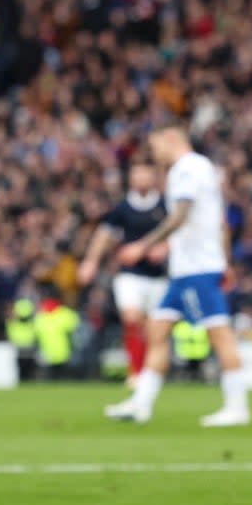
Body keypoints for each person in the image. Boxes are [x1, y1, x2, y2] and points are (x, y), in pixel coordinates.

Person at [105, 124, 250, 426]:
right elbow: (214, 220)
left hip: (198, 269)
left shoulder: (186, 169)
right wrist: (222, 259)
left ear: (171, 139)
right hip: (189, 268)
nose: (154, 152)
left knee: (219, 335)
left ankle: (237, 406)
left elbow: (181, 215)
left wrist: (143, 246)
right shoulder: (201, 168)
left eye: (155, 144)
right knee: (157, 331)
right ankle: (141, 403)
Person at [78, 161, 169, 386]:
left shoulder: (165, 206)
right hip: (130, 273)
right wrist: (91, 261)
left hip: (158, 276)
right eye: (136, 174)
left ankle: (150, 371)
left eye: (145, 174)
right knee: (131, 318)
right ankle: (136, 372)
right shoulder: (122, 208)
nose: (140, 179)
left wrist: (165, 247)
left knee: (153, 328)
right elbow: (104, 235)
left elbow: (178, 231)